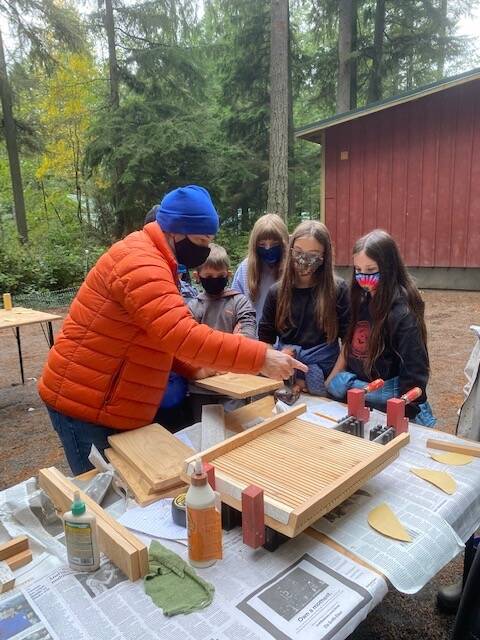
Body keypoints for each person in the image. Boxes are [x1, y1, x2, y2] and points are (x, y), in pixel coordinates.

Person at [38, 185, 307, 475]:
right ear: (178, 231)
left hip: (109, 399)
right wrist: (262, 358)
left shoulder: (156, 259)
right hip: (85, 403)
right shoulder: (140, 261)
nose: (205, 249)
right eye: (202, 240)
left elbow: (156, 333)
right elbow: (181, 334)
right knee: (102, 495)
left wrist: (193, 369)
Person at [326, 229, 436, 425]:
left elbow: (415, 372)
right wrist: (331, 383)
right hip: (361, 394)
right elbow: (349, 347)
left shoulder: (402, 313)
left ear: (388, 268)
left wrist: (399, 414)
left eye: (370, 270)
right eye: (358, 270)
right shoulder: (361, 299)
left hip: (389, 398)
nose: (363, 278)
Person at [258, 221, 349, 396]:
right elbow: (265, 340)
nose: (304, 260)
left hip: (326, 373)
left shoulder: (338, 290)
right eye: (298, 252)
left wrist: (330, 383)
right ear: (290, 251)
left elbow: (348, 344)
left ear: (324, 256)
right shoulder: (276, 292)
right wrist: (280, 377)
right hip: (284, 374)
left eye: (313, 254)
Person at [187, 243, 257, 421]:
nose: (214, 279)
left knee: (236, 427)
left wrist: (208, 349)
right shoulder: (193, 306)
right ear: (197, 276)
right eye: (209, 276)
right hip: (201, 386)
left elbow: (248, 337)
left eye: (220, 275)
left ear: (229, 274)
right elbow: (189, 344)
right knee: (204, 430)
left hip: (234, 384)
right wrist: (231, 341)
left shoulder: (239, 302)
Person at [232, 213, 289, 322]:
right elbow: (234, 306)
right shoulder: (245, 269)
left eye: (274, 244)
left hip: (284, 336)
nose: (268, 248)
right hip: (252, 335)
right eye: (262, 244)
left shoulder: (292, 269)